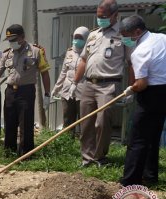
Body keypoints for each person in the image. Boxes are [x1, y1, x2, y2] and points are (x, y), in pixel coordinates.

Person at [69, 0, 133, 167]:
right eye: (98, 16)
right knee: (86, 122)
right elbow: (83, 60)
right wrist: (75, 82)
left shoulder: (123, 34)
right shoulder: (93, 34)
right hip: (89, 84)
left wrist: (132, 87)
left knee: (102, 122)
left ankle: (99, 157)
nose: (100, 19)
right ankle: (87, 158)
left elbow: (132, 62)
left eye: (104, 17)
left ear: (115, 15)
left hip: (109, 84)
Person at [0, 24, 51, 156]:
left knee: (26, 123)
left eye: (14, 39)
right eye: (10, 40)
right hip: (10, 92)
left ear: (22, 37)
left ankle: (25, 154)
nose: (12, 42)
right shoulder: (7, 53)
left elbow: (44, 73)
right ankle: (9, 152)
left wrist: (47, 94)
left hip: (26, 91)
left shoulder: (36, 52)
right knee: (9, 122)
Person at [119, 15, 166, 186]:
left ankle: (130, 180)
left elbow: (142, 83)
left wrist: (131, 89)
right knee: (153, 136)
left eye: (126, 35)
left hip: (151, 95)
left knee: (137, 139)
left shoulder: (140, 52)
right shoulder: (161, 38)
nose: (124, 39)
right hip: (164, 93)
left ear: (137, 32)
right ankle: (150, 175)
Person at [51, 26, 89, 136]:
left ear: (86, 39)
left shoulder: (90, 52)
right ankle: (68, 143)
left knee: (83, 119)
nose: (77, 40)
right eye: (75, 37)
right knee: (67, 118)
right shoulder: (70, 52)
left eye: (80, 38)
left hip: (82, 89)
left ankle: (84, 144)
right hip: (67, 90)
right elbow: (63, 72)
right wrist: (56, 88)